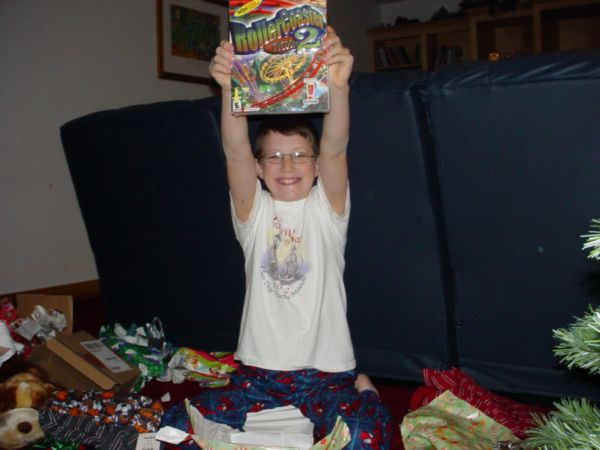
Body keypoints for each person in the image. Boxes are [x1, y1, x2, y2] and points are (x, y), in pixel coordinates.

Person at [161, 28, 392, 450]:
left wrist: (338, 87)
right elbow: (234, 152)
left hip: (326, 376)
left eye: (300, 155)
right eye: (274, 157)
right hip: (257, 377)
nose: (287, 166)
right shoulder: (253, 213)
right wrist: (230, 89)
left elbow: (335, 148)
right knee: (175, 425)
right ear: (259, 168)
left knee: (365, 436)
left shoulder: (327, 209)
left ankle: (367, 391)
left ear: (316, 166)